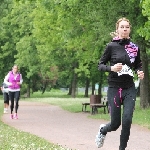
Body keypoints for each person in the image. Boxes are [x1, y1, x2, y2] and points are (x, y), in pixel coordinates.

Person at [95, 18, 144, 150]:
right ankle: (103, 130)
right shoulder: (111, 46)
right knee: (115, 124)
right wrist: (111, 68)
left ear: (129, 29)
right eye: (122, 27)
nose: (124, 29)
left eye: (127, 27)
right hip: (114, 88)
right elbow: (100, 65)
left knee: (127, 120)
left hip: (129, 88)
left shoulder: (134, 48)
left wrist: (140, 71)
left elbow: (138, 64)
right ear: (117, 29)